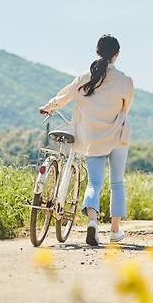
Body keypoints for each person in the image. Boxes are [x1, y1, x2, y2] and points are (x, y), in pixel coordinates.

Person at [39, 34, 134, 246]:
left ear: (97, 52)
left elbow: (63, 98)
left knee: (94, 182)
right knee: (117, 183)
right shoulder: (125, 82)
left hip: (92, 139)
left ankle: (92, 222)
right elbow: (125, 109)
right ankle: (115, 232)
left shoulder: (83, 79)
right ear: (116, 55)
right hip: (118, 136)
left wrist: (48, 106)